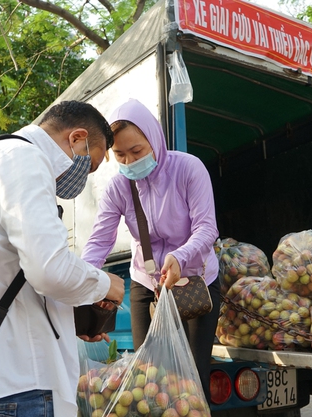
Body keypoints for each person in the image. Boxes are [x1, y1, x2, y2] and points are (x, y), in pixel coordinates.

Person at [0, 101, 126, 417]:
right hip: (16, 388)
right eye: (90, 166)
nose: (85, 177)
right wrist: (107, 284)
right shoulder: (25, 159)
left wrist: (72, 318)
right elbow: (49, 269)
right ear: (77, 138)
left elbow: (4, 272)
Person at [81, 98, 221, 402]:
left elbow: (207, 229)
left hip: (195, 283)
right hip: (148, 286)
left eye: (137, 151)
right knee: (150, 378)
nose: (130, 162)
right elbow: (99, 242)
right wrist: (78, 283)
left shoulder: (188, 169)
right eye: (120, 155)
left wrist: (180, 257)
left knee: (192, 378)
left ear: (154, 139)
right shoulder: (117, 188)